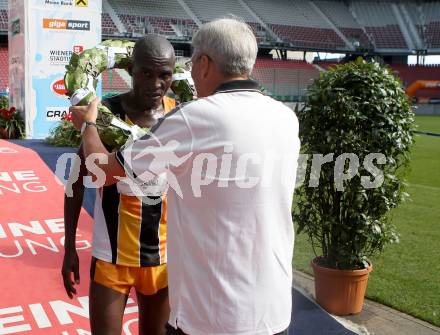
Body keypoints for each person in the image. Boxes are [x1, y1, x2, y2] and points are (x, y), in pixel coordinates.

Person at [71, 18, 300, 335]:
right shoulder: (286, 118)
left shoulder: (193, 118)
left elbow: (104, 169)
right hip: (273, 309)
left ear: (204, 64)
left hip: (214, 312)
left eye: (185, 67)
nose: (186, 76)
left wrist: (88, 125)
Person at [62, 34, 176, 335]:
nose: (155, 84)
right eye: (146, 74)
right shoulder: (104, 112)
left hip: (162, 259)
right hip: (110, 257)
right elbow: (75, 178)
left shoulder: (181, 115)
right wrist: (69, 246)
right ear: (130, 70)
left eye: (164, 75)